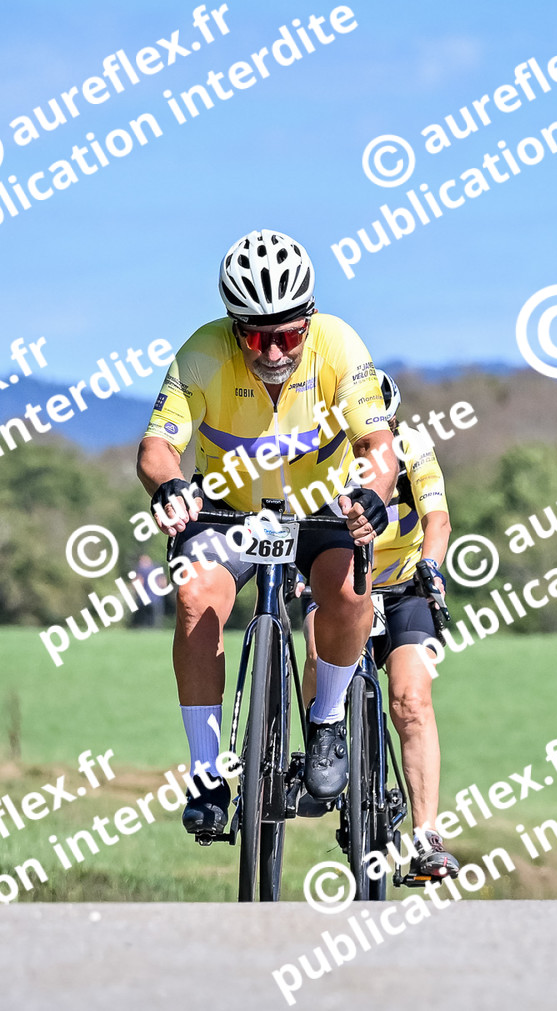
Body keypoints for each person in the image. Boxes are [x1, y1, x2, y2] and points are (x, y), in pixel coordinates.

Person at [136, 228, 397, 838]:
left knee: (350, 593)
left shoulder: (338, 344)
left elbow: (377, 444)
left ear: (309, 320)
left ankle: (327, 717)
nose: (274, 351)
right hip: (230, 511)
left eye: (288, 335)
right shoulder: (201, 354)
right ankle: (207, 774)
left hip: (320, 509)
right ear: (234, 329)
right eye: (257, 336)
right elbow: (157, 448)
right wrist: (169, 487)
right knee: (195, 596)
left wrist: (372, 496)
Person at [298, 369, 458, 880]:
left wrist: (431, 566)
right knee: (317, 655)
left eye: (381, 426)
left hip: (403, 585)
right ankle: (322, 745)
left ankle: (426, 835)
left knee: (411, 700)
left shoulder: (413, 448)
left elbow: (438, 520)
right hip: (341, 583)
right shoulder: (322, 454)